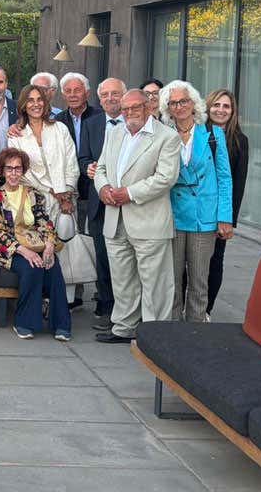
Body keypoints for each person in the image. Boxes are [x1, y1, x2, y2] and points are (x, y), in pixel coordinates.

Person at [93, 89, 180, 343]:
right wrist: (103, 188)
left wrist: (128, 193)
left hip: (148, 220)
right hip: (115, 217)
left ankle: (156, 335)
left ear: (149, 107)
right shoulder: (115, 132)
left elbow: (166, 178)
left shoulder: (167, 137)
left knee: (156, 283)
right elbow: (101, 168)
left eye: (135, 107)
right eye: (125, 108)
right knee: (122, 279)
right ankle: (124, 327)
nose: (129, 113)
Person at [6, 83, 84, 307]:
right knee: (40, 247)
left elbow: (72, 162)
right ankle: (41, 300)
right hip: (36, 201)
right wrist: (51, 190)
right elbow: (19, 171)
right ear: (23, 105)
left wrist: (66, 192)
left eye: (39, 99)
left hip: (66, 201)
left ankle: (64, 304)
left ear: (46, 102)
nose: (35, 104)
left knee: (65, 249)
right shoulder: (16, 134)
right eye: (30, 100)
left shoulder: (59, 129)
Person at [162, 81, 232, 323]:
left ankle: (196, 331)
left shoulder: (213, 134)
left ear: (194, 104)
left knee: (199, 281)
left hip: (205, 216)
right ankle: (172, 332)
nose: (179, 106)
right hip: (173, 214)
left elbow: (224, 178)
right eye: (173, 103)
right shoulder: (164, 134)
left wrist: (225, 217)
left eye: (184, 101)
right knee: (172, 279)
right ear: (167, 108)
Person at [0, 148, 70, 340]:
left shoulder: (33, 194)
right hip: (8, 250)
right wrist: (24, 252)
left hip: (36, 244)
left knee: (53, 266)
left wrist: (49, 244)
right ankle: (24, 322)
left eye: (18, 169)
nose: (14, 173)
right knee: (32, 267)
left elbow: (44, 221)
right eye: (9, 169)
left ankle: (61, 324)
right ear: (2, 171)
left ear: (23, 171)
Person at [81, 77, 127, 327]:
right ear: (99, 99)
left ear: (124, 94)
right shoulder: (92, 123)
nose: (110, 99)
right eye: (106, 95)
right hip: (99, 203)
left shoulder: (135, 122)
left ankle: (127, 308)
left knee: (125, 258)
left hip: (129, 203)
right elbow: (83, 157)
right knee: (103, 256)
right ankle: (108, 307)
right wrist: (87, 167)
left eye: (115, 93)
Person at [204, 88, 249, 315]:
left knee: (214, 262)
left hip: (220, 213)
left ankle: (206, 311)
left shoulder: (240, 141)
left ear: (232, 112)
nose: (221, 110)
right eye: (217, 105)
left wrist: (229, 219)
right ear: (208, 106)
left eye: (226, 106)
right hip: (195, 209)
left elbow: (238, 184)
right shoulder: (196, 132)